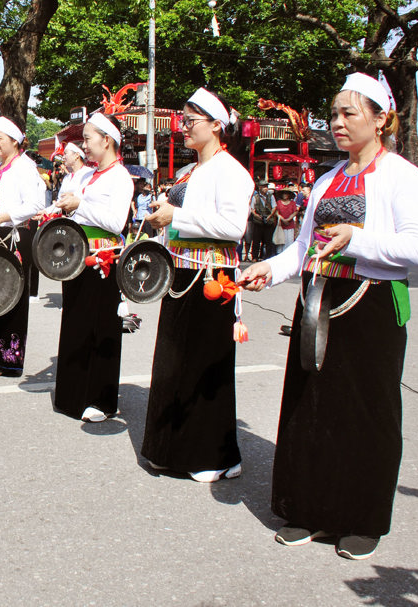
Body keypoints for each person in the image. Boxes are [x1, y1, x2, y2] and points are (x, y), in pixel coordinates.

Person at [240, 73, 418, 560]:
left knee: (366, 413)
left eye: (350, 113)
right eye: (334, 114)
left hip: (372, 305)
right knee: (310, 405)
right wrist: (269, 267)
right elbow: (305, 247)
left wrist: (358, 237)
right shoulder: (326, 179)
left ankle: (361, 518)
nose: (338, 122)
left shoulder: (401, 176)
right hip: (318, 297)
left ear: (381, 119)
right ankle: (307, 508)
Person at [142, 87, 253, 482]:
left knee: (207, 368)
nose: (183, 127)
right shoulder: (189, 172)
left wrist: (177, 215)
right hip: (180, 273)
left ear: (217, 125)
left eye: (191, 121)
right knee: (173, 365)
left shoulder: (233, 172)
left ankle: (217, 455)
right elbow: (172, 224)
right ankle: (171, 449)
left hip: (212, 277)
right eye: (182, 120)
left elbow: (232, 227)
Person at [52, 113, 132, 422]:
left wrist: (80, 206)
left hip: (104, 259)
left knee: (101, 328)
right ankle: (73, 395)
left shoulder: (120, 176)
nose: (84, 144)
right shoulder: (87, 176)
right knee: (76, 323)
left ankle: (101, 399)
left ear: (107, 140)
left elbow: (116, 222)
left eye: (88, 138)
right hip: (78, 256)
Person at [0, 116, 46, 376]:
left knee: (10, 296)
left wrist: (3, 217)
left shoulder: (25, 167)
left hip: (13, 236)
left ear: (15, 141)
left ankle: (8, 358)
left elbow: (35, 205)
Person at [249, 180, 276, 260]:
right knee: (256, 240)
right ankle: (255, 257)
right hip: (258, 221)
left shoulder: (271, 196)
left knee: (268, 241)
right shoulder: (255, 197)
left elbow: (274, 207)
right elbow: (252, 209)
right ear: (260, 188)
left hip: (268, 220)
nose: (266, 188)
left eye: (266, 187)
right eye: (264, 187)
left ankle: (267, 257)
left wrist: (270, 215)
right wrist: (256, 215)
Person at [272, 188, 298, 253]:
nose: (285, 195)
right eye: (284, 193)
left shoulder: (292, 203)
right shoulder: (278, 202)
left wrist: (288, 219)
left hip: (290, 224)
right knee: (281, 240)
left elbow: (295, 212)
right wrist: (283, 219)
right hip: (281, 225)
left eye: (286, 193)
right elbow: (276, 212)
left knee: (289, 240)